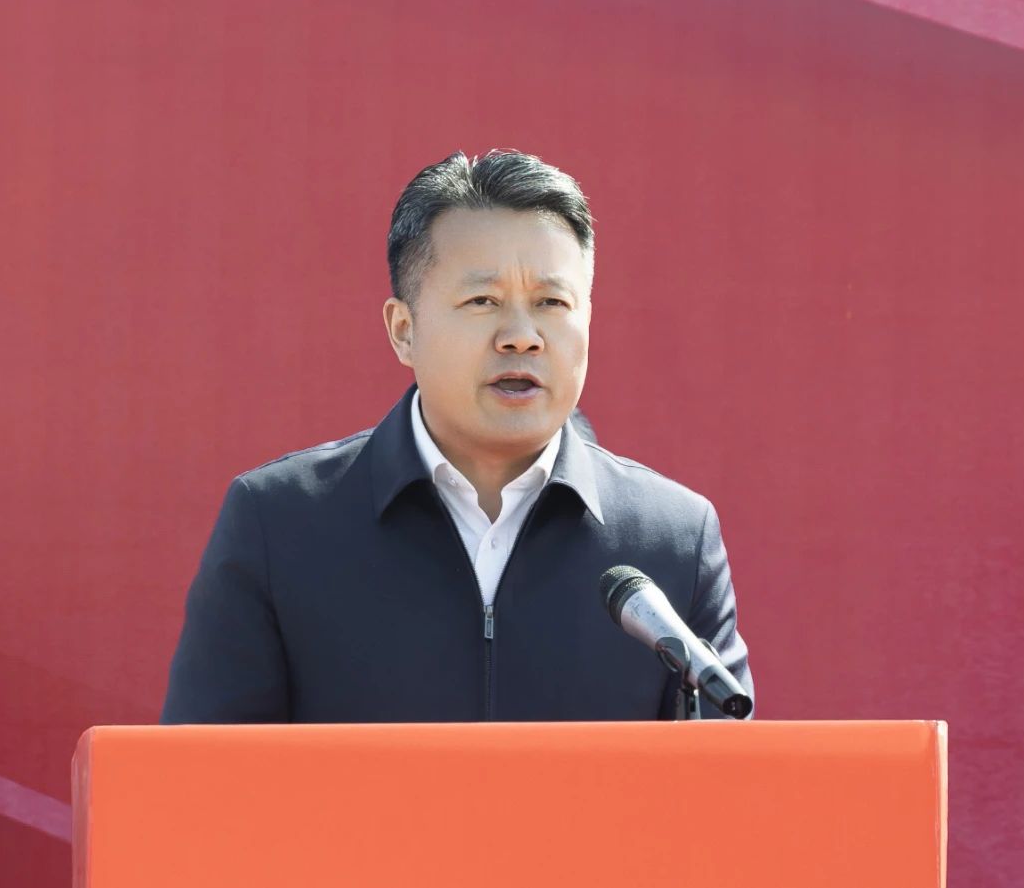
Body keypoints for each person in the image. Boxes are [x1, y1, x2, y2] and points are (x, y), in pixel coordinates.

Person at [160, 150, 753, 723]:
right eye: (482, 300)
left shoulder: (673, 541)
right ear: (403, 330)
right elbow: (200, 778)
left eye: (551, 302)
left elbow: (727, 780)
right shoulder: (279, 524)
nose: (521, 336)